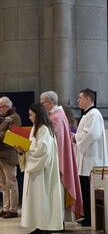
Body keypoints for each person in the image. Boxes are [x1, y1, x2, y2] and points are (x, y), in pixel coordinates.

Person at [16, 103, 63, 234]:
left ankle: (45, 228)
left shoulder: (44, 129)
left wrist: (26, 150)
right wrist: (22, 151)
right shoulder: (37, 128)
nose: (29, 117)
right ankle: (38, 226)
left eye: (31, 114)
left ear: (38, 114)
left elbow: (43, 152)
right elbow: (34, 147)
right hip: (36, 170)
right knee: (36, 200)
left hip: (42, 172)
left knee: (42, 198)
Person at [40, 91, 83, 223]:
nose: (41, 106)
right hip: (60, 157)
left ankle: (58, 220)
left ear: (51, 102)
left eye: (43, 103)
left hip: (58, 160)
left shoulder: (56, 117)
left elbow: (55, 140)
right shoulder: (58, 114)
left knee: (57, 190)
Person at [73, 88, 108, 227]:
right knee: (85, 190)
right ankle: (87, 216)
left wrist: (76, 138)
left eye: (80, 97)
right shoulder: (88, 115)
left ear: (88, 99)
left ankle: (91, 218)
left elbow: (92, 134)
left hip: (92, 159)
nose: (78, 100)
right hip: (86, 159)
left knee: (89, 190)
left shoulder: (94, 114)